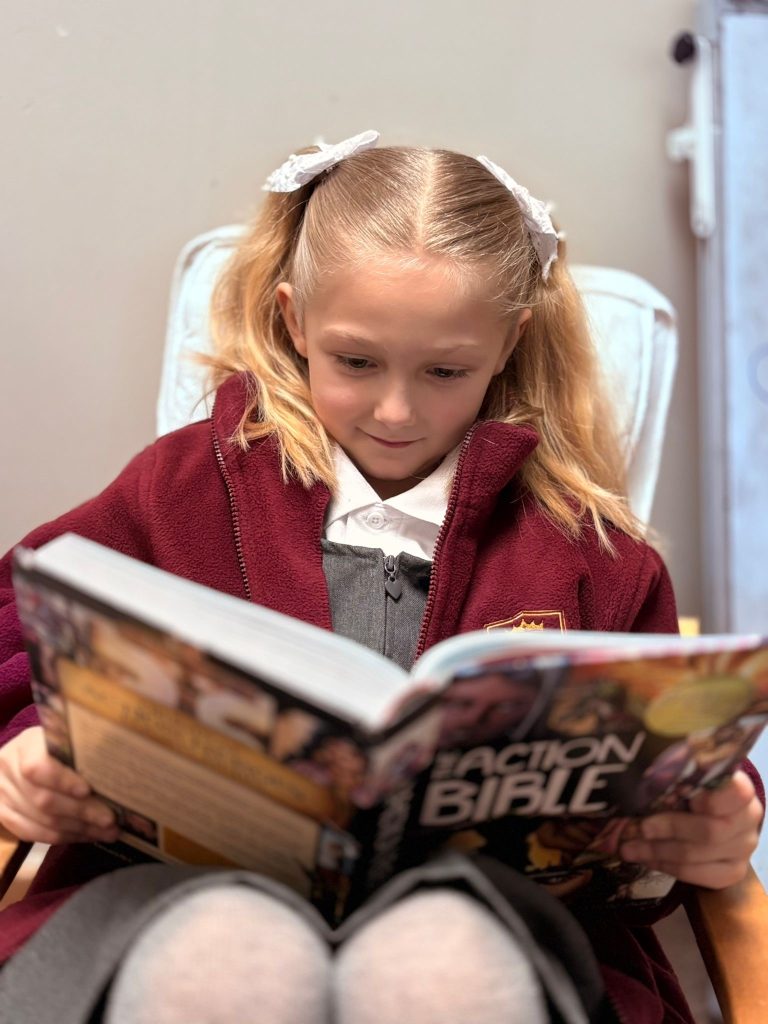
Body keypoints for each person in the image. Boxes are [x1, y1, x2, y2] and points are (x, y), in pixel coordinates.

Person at [0, 130, 762, 1024]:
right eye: (355, 362)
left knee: (435, 967)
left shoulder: (587, 549)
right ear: (294, 321)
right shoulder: (184, 486)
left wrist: (715, 823)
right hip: (176, 891)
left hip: (490, 918)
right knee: (230, 957)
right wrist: (30, 752)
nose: (396, 410)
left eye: (446, 372)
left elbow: (673, 744)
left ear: (509, 344)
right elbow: (25, 630)